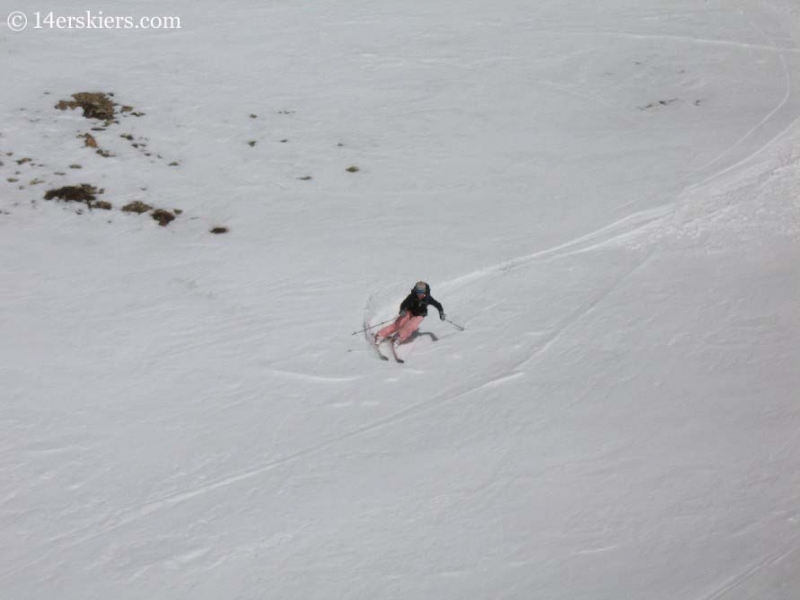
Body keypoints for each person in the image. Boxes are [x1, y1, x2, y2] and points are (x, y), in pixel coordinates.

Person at [375, 281, 445, 347]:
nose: (419, 294)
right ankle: (380, 335)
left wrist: (441, 313)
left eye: (421, 292)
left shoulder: (428, 298)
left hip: (420, 314)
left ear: (425, 292)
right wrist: (402, 310)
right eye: (418, 292)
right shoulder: (412, 296)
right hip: (410, 311)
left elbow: (438, 305)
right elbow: (404, 304)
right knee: (399, 323)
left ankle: (398, 337)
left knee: (411, 326)